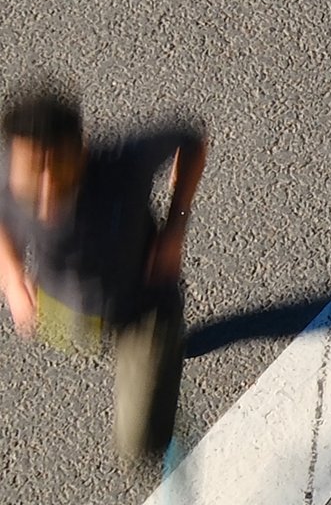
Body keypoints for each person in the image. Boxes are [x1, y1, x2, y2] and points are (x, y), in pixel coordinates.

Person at [0, 86, 208, 467]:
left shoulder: (123, 164)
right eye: (33, 171)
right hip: (68, 309)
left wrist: (175, 227)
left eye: (58, 168)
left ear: (82, 148)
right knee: (100, 344)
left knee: (138, 442)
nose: (46, 189)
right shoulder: (8, 178)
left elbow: (192, 139)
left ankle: (167, 428)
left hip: (145, 306)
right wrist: (12, 278)